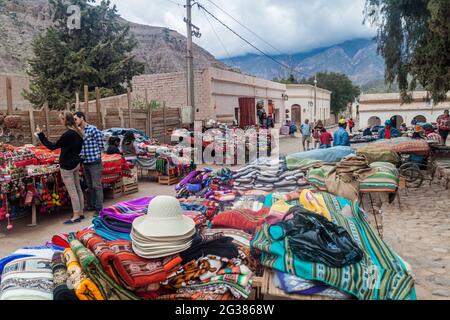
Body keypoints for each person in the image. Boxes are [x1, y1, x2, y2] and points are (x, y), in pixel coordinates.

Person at [35, 112, 84, 224]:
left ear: (65, 120)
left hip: (67, 166)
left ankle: (76, 215)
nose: (60, 121)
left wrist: (41, 134)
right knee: (78, 189)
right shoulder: (78, 132)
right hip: (75, 163)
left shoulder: (68, 134)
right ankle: (80, 212)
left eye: (61, 119)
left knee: (73, 191)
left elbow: (52, 146)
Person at [74, 111, 104, 217]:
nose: (75, 121)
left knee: (97, 186)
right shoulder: (78, 131)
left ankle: (99, 208)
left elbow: (101, 144)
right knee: (90, 186)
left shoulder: (92, 129)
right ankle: (92, 205)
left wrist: (98, 157)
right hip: (85, 162)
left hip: (95, 162)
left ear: (82, 118)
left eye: (76, 119)